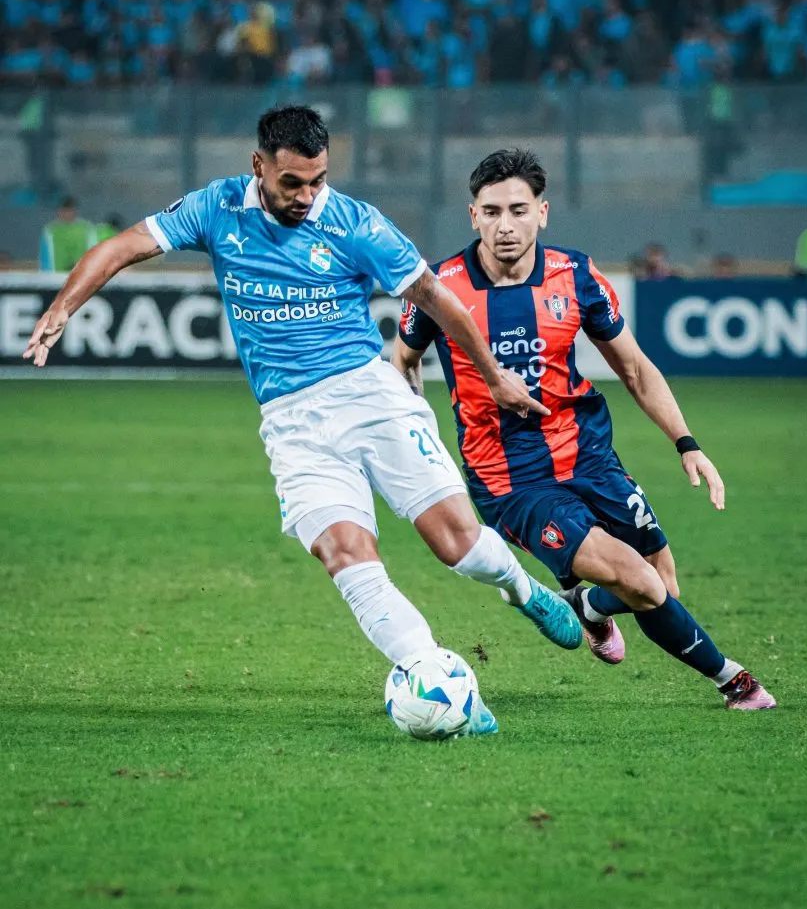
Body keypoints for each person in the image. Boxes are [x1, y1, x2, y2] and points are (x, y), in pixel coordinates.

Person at [22, 108, 582, 734]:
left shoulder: (355, 223)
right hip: (292, 421)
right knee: (345, 553)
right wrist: (63, 307)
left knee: (456, 544)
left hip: (372, 397)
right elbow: (124, 246)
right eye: (292, 182)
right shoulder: (217, 208)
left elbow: (437, 300)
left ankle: (522, 590)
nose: (306, 196)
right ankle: (436, 681)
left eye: (316, 180)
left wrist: (492, 374)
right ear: (258, 166)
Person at [393, 148, 775, 711]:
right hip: (510, 480)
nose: (505, 225)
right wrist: (417, 431)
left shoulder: (576, 275)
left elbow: (636, 369)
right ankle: (734, 681)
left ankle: (590, 607)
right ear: (472, 215)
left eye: (518, 210)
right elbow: (402, 359)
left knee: (664, 585)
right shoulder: (440, 287)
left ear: (542, 213)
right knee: (641, 584)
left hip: (590, 455)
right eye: (492, 211)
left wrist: (686, 443)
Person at [39, 196, 98, 272]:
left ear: (75, 211)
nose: (67, 213)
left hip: (82, 276)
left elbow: (94, 253)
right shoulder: (50, 231)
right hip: (55, 277)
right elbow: (44, 257)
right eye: (64, 210)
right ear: (59, 211)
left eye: (69, 210)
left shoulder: (87, 229)